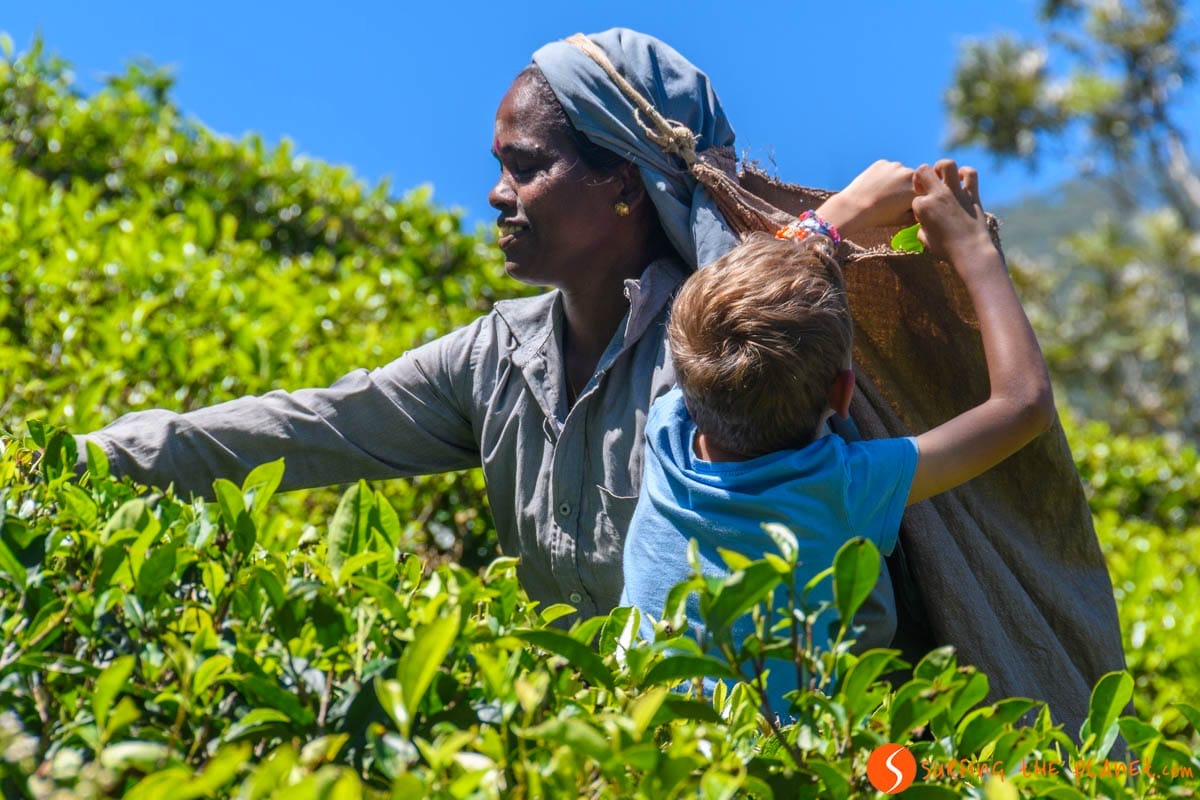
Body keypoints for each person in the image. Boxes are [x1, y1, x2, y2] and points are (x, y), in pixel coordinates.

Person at [72, 29, 914, 620]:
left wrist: (825, 231)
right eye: (499, 165)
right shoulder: (494, 360)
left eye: (526, 166)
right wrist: (72, 463)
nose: (496, 194)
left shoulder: (724, 358)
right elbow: (304, 429)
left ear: (625, 184)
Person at [621, 160, 1056, 714]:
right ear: (845, 394)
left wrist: (839, 214)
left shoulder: (665, 429)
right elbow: (1023, 405)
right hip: (771, 755)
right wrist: (976, 250)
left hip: (637, 730)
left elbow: (733, 318)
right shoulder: (837, 489)